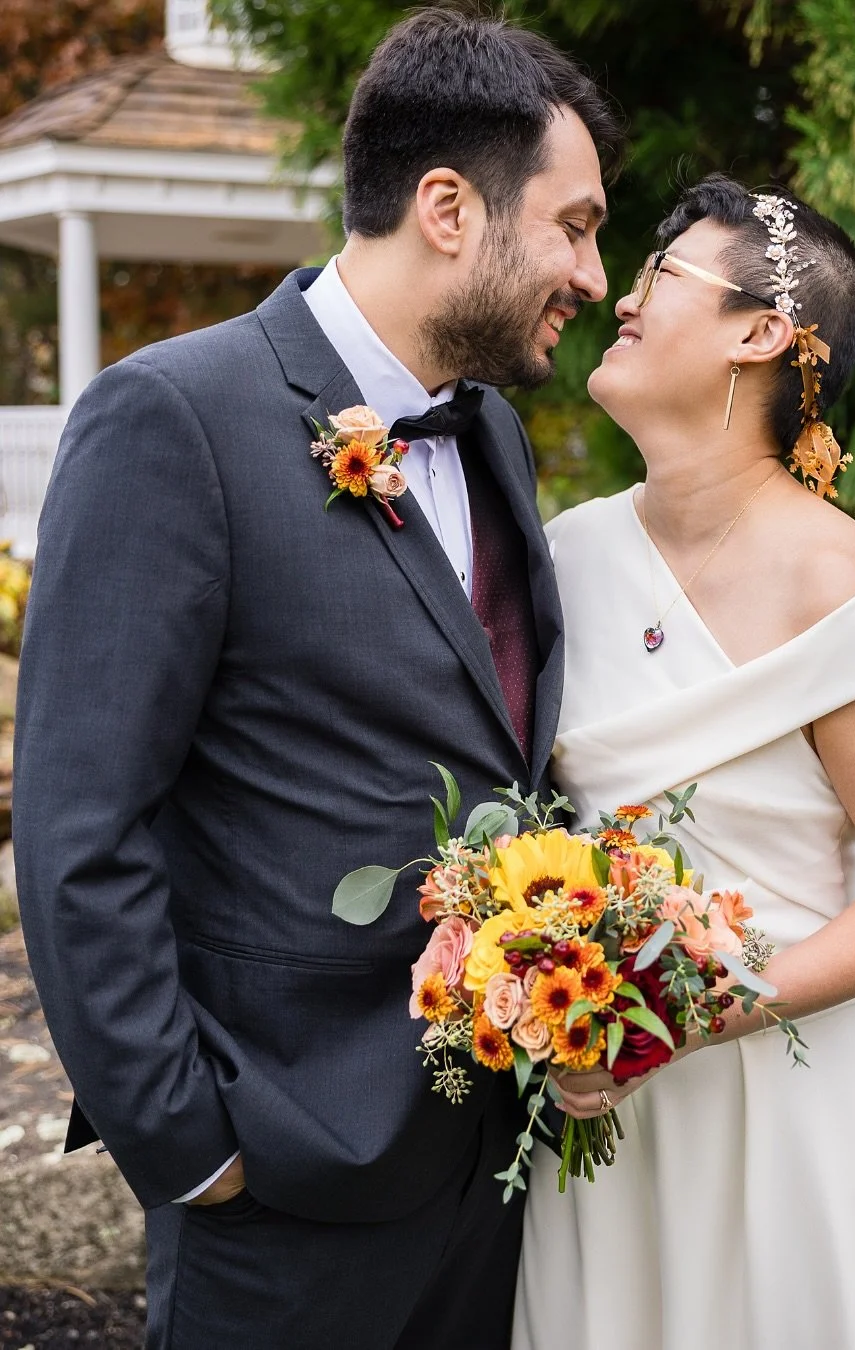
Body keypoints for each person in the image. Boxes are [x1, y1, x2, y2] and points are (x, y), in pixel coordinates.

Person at [13, 9, 619, 1348]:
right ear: (450, 207)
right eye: (574, 225)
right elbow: (76, 828)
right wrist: (188, 1143)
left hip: (484, 1167)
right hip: (275, 1179)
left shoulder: (498, 435)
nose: (592, 270)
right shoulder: (173, 417)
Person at [512, 174, 855, 1350]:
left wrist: (691, 1011)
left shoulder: (842, 583)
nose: (621, 297)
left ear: (761, 333)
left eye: (661, 276)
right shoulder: (566, 553)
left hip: (781, 1101)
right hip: (598, 1100)